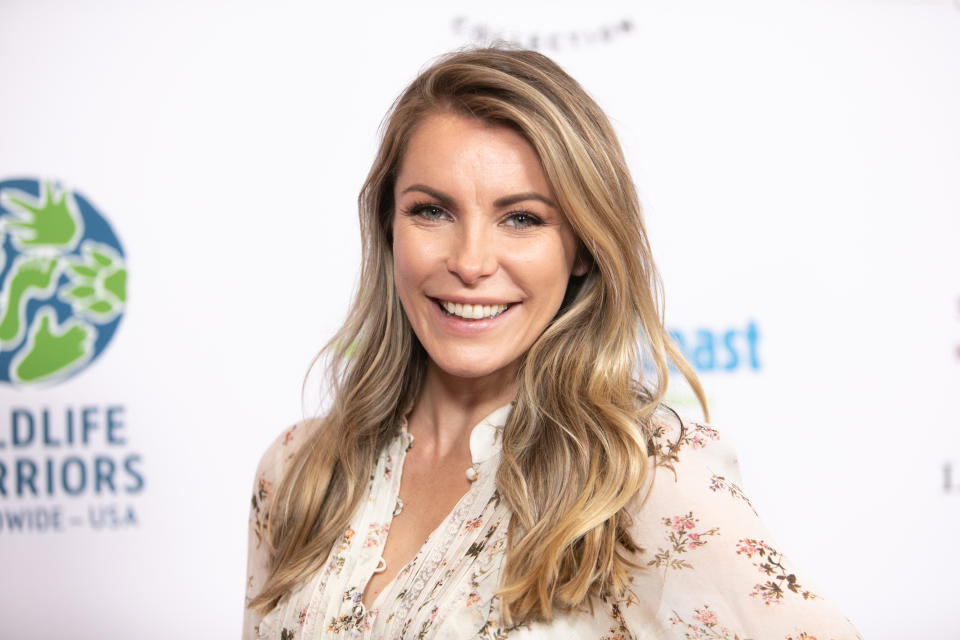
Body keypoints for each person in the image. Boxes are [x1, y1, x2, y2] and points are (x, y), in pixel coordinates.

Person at [244, 46, 860, 639]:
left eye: (523, 218)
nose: (471, 262)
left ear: (585, 249)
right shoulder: (299, 471)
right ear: (388, 227)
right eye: (432, 211)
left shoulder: (639, 476)